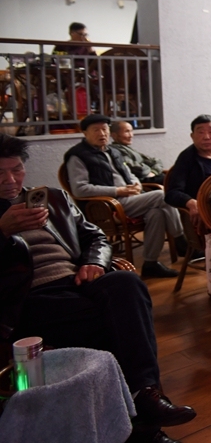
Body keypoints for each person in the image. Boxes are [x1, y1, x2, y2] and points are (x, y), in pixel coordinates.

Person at [0, 135, 196, 443]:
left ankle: (144, 393)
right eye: (0, 173)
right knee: (120, 325)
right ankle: (145, 425)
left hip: (76, 282)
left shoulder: (54, 198)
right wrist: (1, 230)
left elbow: (95, 237)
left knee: (127, 284)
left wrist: (94, 262)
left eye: (17, 170)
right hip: (25, 298)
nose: (11, 180)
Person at [65, 115, 187, 279]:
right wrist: (118, 190)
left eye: (104, 129)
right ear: (85, 133)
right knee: (161, 195)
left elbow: (130, 175)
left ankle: (150, 264)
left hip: (128, 200)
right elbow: (80, 189)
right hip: (108, 206)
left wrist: (136, 185)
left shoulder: (114, 151)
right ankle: (180, 240)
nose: (102, 133)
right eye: (96, 130)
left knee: (156, 214)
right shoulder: (78, 156)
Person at [165, 115, 211, 229]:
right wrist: (191, 202)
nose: (206, 137)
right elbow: (172, 193)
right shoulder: (186, 159)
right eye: (201, 132)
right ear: (192, 136)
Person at [109, 121, 166, 185]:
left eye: (131, 131)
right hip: (140, 181)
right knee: (170, 179)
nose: (131, 135)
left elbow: (156, 161)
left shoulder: (128, 149)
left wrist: (154, 171)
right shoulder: (116, 151)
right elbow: (138, 169)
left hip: (151, 176)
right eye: (127, 132)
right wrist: (150, 169)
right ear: (114, 135)